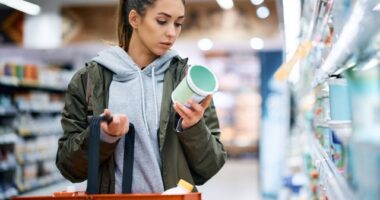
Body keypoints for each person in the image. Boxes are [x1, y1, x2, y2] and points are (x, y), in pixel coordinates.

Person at [56, 0, 227, 194]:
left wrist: (193, 128)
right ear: (134, 19)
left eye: (178, 23)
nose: (172, 32)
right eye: (162, 21)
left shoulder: (187, 82)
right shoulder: (89, 80)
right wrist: (103, 136)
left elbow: (210, 167)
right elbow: (68, 167)